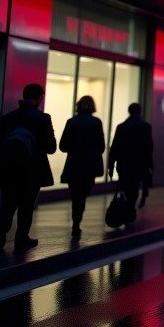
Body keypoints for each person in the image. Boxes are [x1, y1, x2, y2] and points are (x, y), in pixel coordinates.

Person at [0, 83, 57, 252]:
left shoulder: (8, 117)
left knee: (7, 204)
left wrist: (7, 161)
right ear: (39, 98)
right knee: (26, 206)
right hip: (32, 171)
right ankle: (21, 239)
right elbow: (51, 147)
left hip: (9, 169)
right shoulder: (43, 118)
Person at [58, 95, 106, 238]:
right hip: (90, 166)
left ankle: (76, 222)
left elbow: (63, 146)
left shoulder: (72, 122)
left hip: (73, 165)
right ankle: (77, 221)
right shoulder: (96, 122)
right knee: (82, 196)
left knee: (75, 196)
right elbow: (101, 146)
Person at [108, 103, 154, 222]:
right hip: (140, 163)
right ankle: (130, 208)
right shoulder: (146, 127)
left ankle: (128, 206)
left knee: (126, 184)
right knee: (134, 186)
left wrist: (111, 164)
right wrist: (150, 164)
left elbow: (115, 147)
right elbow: (149, 147)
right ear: (140, 111)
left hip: (124, 163)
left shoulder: (122, 126)